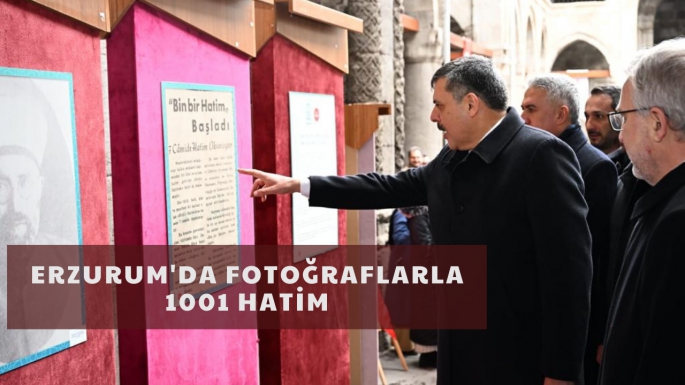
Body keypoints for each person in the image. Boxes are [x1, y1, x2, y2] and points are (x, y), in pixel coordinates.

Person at [241, 55, 592, 384]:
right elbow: (386, 187)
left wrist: (561, 372)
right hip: (458, 353)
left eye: (439, 105)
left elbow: (569, 275)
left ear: (470, 104)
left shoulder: (541, 155)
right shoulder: (452, 159)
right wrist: (299, 185)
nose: (433, 117)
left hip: (518, 360)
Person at [599, 37, 685, 385]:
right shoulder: (658, 198)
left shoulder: (678, 223)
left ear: (657, 123)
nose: (619, 136)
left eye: (622, 117)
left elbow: (664, 362)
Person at [521, 74, 618, 385]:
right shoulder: (540, 157)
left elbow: (598, 260)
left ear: (561, 114)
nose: (523, 118)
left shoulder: (594, 166)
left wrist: (602, 334)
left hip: (579, 329)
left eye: (531, 109)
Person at [0, 77, 73, 365]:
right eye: (1, 186)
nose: (16, 204)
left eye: (25, 182)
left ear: (40, 187)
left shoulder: (68, 258)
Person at [584, 86, 630, 173]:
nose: (588, 126)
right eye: (587, 116)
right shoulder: (579, 162)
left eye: (598, 116)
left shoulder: (635, 168)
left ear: (619, 119)